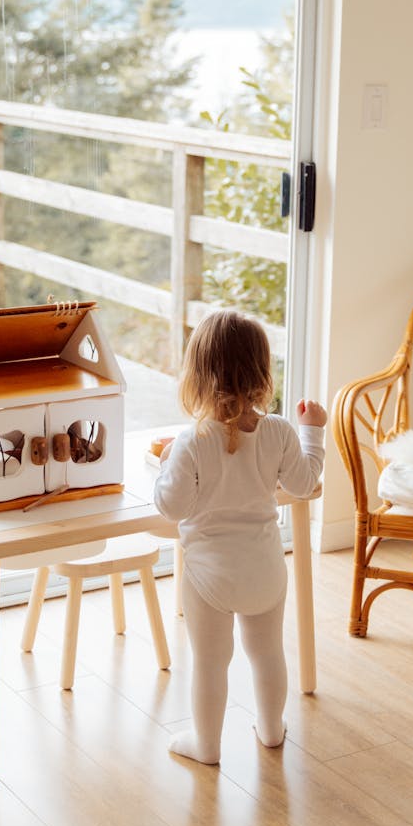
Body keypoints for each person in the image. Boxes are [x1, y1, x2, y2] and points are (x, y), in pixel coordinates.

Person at [153, 308, 326, 765]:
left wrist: (170, 462)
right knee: (266, 651)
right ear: (262, 373)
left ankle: (206, 746)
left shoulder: (193, 441)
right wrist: (314, 432)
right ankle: (271, 731)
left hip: (211, 577)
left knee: (211, 662)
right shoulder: (280, 432)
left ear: (197, 375)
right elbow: (304, 485)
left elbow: (171, 507)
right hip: (266, 569)